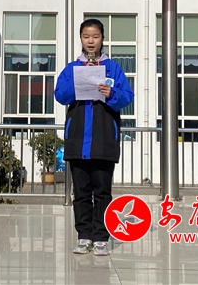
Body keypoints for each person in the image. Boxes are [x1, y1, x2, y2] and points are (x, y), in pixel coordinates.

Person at [54, 18, 134, 256]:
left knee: (102, 192)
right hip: (78, 139)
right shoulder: (72, 68)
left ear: (102, 39)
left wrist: (111, 93)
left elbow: (127, 96)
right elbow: (60, 95)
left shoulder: (113, 68)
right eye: (86, 36)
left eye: (95, 36)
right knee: (80, 193)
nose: (91, 41)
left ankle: (100, 237)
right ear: (81, 39)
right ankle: (83, 236)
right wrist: (79, 81)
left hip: (104, 139)